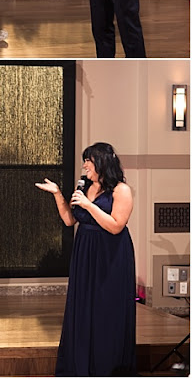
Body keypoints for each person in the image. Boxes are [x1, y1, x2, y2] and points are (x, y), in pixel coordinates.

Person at [35, 142, 136, 376]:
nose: (84, 165)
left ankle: (106, 368)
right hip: (85, 252)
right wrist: (59, 194)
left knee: (106, 310)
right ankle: (81, 367)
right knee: (83, 308)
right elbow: (71, 220)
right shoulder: (86, 186)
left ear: (101, 162)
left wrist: (89, 205)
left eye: (88, 160)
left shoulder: (121, 190)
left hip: (110, 255)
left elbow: (115, 226)